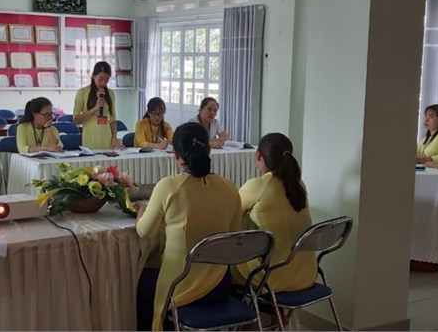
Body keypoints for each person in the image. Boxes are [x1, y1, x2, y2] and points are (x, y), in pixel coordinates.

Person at [135, 123, 242, 331]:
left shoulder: (169, 186)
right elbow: (235, 233)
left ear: (175, 154)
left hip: (179, 287)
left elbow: (144, 231)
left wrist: (141, 212)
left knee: (139, 283)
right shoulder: (229, 187)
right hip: (220, 284)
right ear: (209, 150)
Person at [232, 133, 316, 298]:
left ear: (259, 156)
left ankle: (245, 313)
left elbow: (229, 215)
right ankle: (268, 311)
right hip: (306, 274)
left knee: (225, 253)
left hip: (271, 279)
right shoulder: (298, 184)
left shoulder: (257, 185)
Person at [72, 61, 122, 150]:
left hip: (106, 136)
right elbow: (76, 120)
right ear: (93, 75)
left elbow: (113, 119)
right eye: (100, 79)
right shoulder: (83, 92)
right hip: (90, 136)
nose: (103, 83)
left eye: (106, 80)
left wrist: (114, 138)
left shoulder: (110, 93)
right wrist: (95, 108)